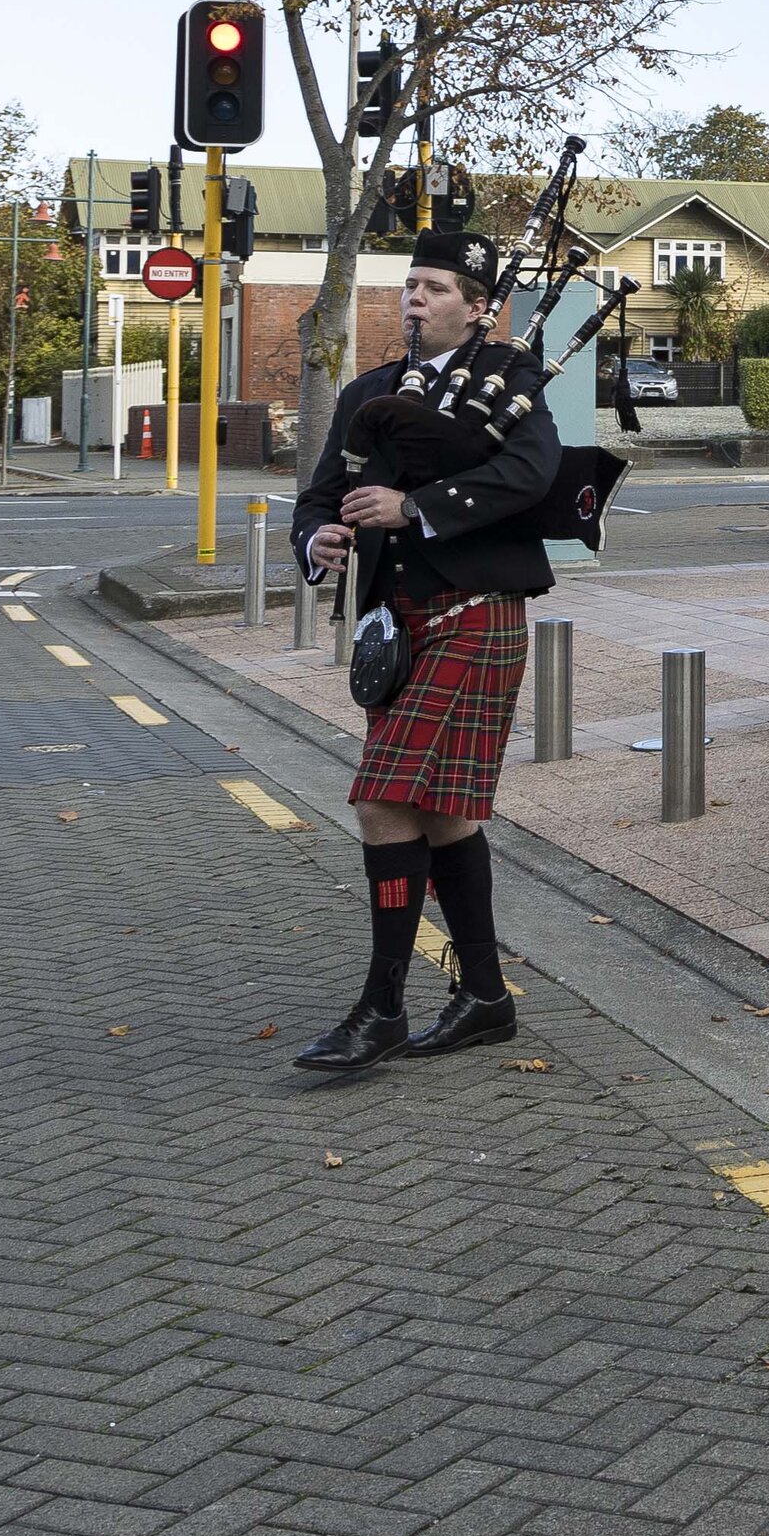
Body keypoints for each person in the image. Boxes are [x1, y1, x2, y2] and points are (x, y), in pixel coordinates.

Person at [287, 228, 565, 1073]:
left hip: (477, 612)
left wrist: (415, 509)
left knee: (381, 798)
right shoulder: (368, 389)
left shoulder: (513, 380)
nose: (415, 298)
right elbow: (319, 495)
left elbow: (532, 475)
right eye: (410, 284)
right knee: (442, 810)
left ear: (479, 307)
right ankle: (484, 997)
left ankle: (381, 1008)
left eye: (436, 287)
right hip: (398, 626)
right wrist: (316, 540)